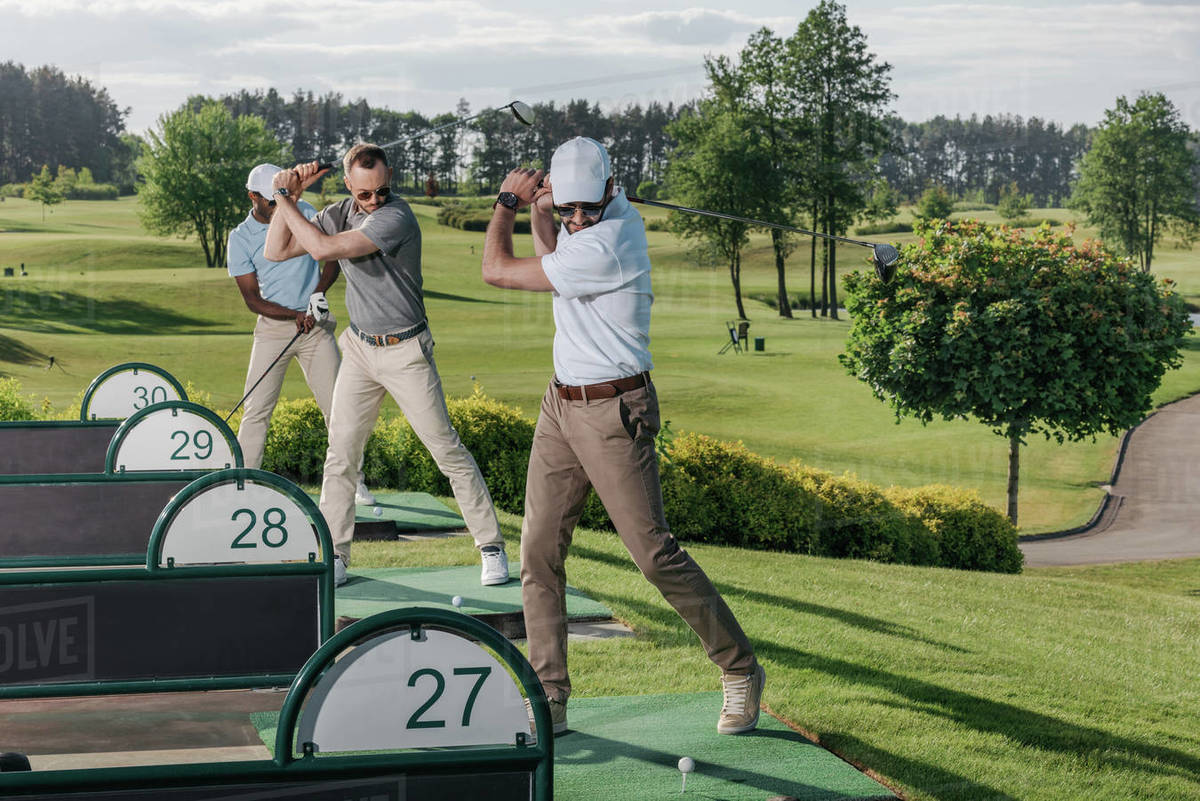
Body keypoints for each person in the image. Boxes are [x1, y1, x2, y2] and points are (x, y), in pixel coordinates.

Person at [480, 137, 765, 736]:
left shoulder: (612, 241)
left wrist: (509, 202)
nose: (578, 221)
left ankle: (740, 669)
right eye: (569, 211)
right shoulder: (590, 223)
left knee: (654, 554)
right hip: (560, 405)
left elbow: (496, 271)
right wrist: (544, 211)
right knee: (536, 553)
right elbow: (558, 269)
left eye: (588, 209)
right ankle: (549, 696)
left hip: (615, 412)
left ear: (613, 189)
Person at [264, 144, 508, 588]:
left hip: (406, 350)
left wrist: (282, 196)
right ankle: (335, 554)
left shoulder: (397, 217)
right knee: (340, 455)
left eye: (381, 190)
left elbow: (321, 250)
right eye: (364, 194)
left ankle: (491, 547)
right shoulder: (339, 211)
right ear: (348, 185)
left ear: (389, 177)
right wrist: (292, 197)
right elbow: (276, 250)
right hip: (359, 349)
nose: (374, 200)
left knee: (446, 450)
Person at [227, 163, 375, 506]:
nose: (280, 207)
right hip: (272, 332)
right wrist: (294, 315)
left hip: (315, 329)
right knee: (256, 410)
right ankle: (243, 483)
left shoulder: (304, 212)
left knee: (339, 408)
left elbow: (332, 258)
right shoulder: (240, 237)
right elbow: (253, 300)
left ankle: (355, 483)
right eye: (272, 201)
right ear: (253, 197)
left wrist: (315, 298)